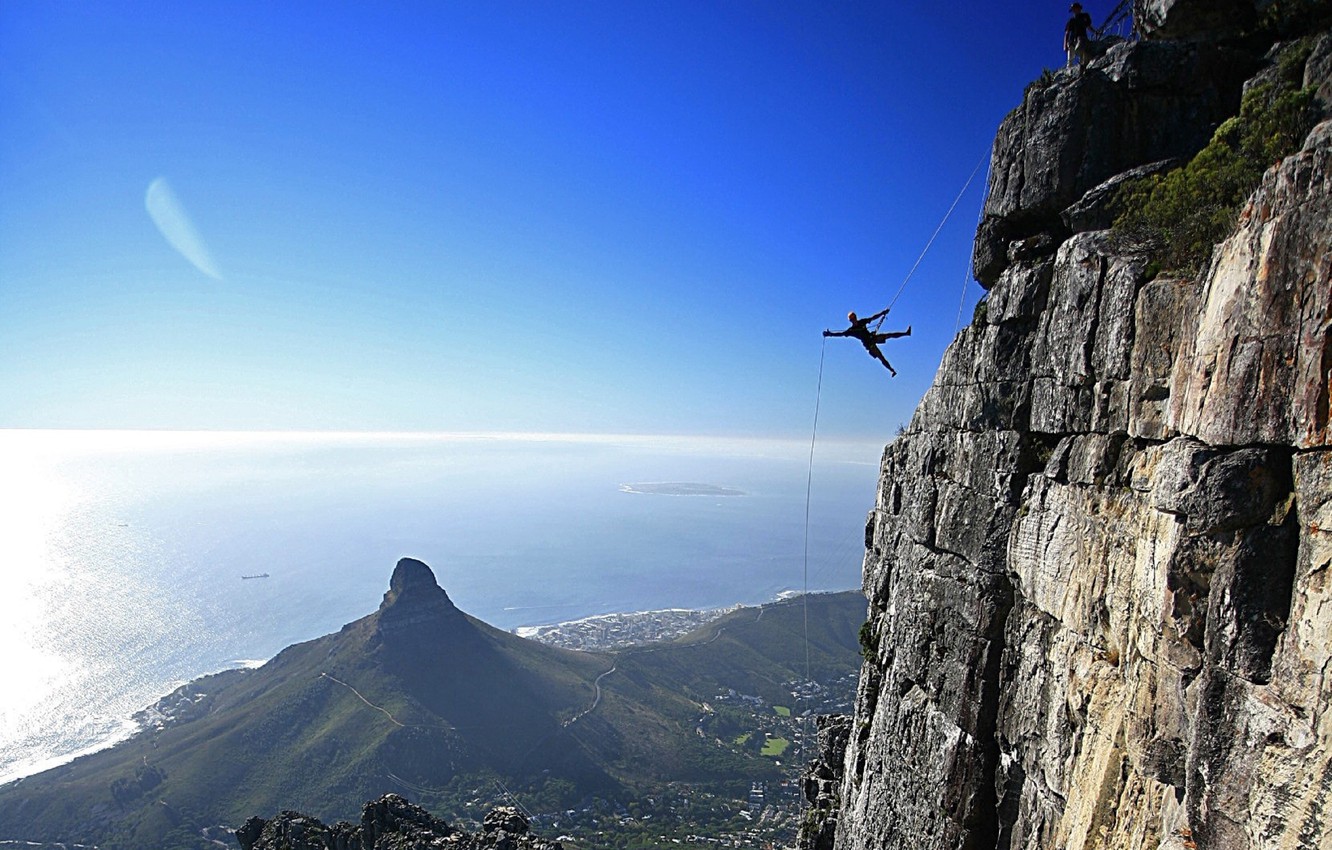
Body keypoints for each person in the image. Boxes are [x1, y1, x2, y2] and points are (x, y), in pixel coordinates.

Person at [823, 309, 911, 376]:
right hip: (869, 345)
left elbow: (872, 318)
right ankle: (892, 370)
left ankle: (906, 333)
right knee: (881, 357)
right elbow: (840, 334)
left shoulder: (862, 322)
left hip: (872, 338)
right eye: (852, 319)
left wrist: (883, 313)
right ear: (850, 320)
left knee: (889, 335)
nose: (854, 319)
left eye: (854, 317)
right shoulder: (851, 331)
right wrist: (829, 334)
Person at [1064, 3, 1094, 68]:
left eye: (1074, 9)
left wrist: (1095, 32)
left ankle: (1082, 68)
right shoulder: (1072, 20)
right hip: (1072, 41)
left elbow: (1088, 26)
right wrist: (1065, 45)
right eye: (1073, 10)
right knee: (1070, 60)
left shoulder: (1084, 16)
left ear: (1079, 8)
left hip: (1082, 38)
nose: (1074, 11)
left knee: (1082, 54)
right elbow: (1067, 33)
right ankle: (1069, 71)